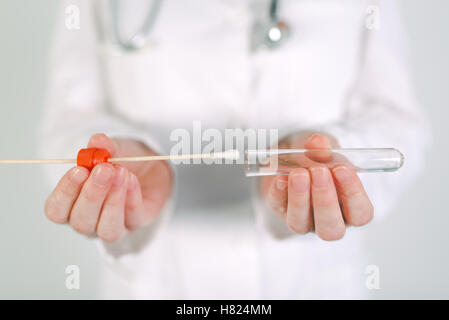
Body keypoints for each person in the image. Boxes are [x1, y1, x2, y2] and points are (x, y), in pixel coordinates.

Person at [40, 0, 428, 299]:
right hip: (157, 284)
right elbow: (73, 113)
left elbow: (395, 120)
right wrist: (113, 163)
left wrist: (336, 156)